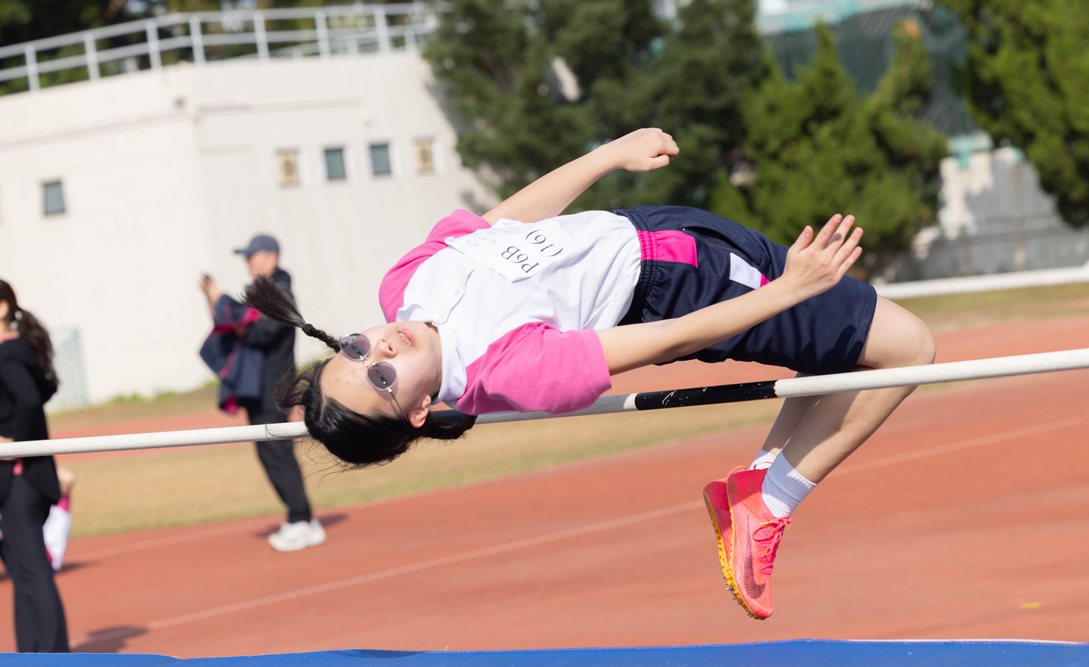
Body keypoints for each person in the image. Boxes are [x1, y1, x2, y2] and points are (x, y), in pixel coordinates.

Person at [244, 129, 936, 619]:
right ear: (418, 412)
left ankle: (754, 492)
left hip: (654, 225)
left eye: (356, 351)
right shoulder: (505, 369)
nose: (381, 350)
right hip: (689, 282)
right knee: (907, 348)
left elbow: (503, 222)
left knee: (838, 357)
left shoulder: (403, 285)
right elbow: (668, 336)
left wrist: (608, 155)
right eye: (383, 381)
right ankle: (772, 502)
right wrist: (785, 293)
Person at [200, 236, 324, 553]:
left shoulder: (280, 291)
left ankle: (302, 519)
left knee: (277, 454)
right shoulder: (266, 291)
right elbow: (237, 322)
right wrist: (215, 300)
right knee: (271, 453)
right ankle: (301, 517)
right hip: (262, 389)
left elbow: (260, 332)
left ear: (271, 256)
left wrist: (222, 301)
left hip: (273, 388)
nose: (248, 263)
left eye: (252, 256)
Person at [0, 279, 70, 651]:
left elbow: (29, 400)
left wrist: (14, 444)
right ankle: (31, 652)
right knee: (20, 564)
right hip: (23, 477)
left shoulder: (9, 354)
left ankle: (55, 654)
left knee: (31, 566)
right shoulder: (19, 350)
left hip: (20, 477)